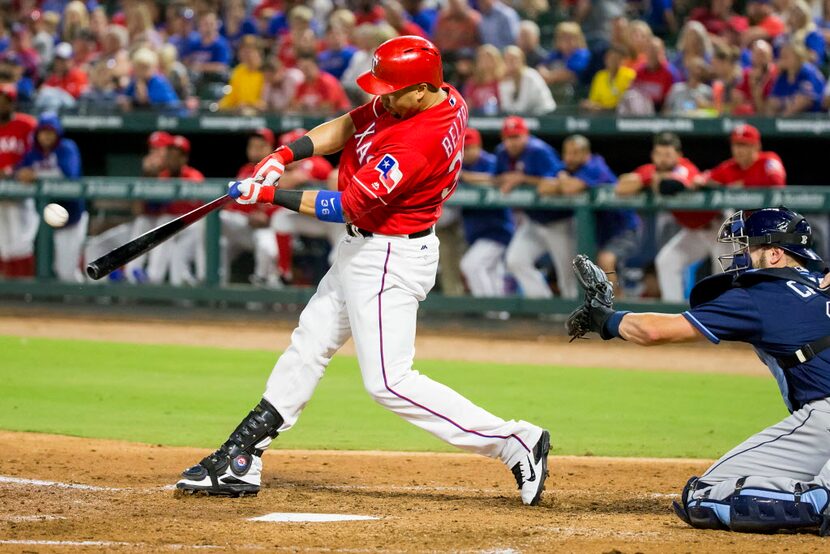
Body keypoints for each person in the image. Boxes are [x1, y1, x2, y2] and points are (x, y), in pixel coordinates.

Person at [175, 36, 550, 506]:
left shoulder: (421, 140)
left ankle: (514, 441)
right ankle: (241, 458)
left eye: (393, 91)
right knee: (309, 343)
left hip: (388, 255)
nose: (383, 98)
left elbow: (349, 206)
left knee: (389, 382)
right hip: (367, 249)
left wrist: (269, 195)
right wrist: (283, 157)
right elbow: (351, 123)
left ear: (421, 89)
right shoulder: (434, 96)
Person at [568, 207, 830, 537]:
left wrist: (607, 320)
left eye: (749, 247)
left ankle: (820, 500)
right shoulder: (821, 282)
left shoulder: (763, 294)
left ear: (776, 254)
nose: (741, 256)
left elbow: (656, 332)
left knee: (703, 495)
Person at [617, 131, 721, 302]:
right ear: (652, 155)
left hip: (720, 228)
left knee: (723, 275)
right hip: (695, 231)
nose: (663, 159)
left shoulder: (686, 167)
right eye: (659, 154)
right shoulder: (652, 170)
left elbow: (669, 187)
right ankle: (674, 314)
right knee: (667, 261)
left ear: (679, 155)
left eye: (668, 155)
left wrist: (647, 181)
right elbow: (621, 187)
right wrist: (650, 177)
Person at [536, 135, 637, 294]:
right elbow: (542, 187)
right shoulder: (565, 168)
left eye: (575, 153)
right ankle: (606, 308)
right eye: (567, 153)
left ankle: (617, 309)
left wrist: (561, 179)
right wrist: (563, 178)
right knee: (592, 271)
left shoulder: (595, 166)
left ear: (586, 154)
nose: (570, 157)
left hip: (622, 228)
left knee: (606, 261)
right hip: (599, 232)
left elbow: (571, 189)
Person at [498, 116, 574, 299]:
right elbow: (497, 177)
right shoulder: (502, 153)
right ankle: (544, 305)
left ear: (526, 135)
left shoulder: (540, 151)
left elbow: (557, 182)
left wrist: (522, 179)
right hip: (533, 222)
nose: (512, 142)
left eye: (517, 137)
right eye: (508, 138)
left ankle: (577, 320)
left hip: (559, 222)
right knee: (515, 260)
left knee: (568, 277)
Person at [15, 113, 85, 283]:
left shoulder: (67, 148)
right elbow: (19, 171)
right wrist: (20, 173)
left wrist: (35, 174)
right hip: (46, 218)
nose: (46, 135)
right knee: (53, 268)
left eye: (50, 131)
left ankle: (85, 299)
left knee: (66, 271)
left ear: (57, 133)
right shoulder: (33, 153)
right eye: (43, 131)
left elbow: (69, 175)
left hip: (72, 216)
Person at [459, 127, 514, 298]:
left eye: (470, 147)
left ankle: (489, 310)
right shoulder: (459, 164)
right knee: (492, 275)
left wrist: (467, 176)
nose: (466, 152)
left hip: (497, 229)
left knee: (471, 265)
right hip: (476, 231)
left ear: (479, 145)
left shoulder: (491, 162)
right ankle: (498, 315)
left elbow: (499, 179)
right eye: (463, 148)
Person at [221, 128, 280, 286]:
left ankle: (261, 286)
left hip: (267, 228)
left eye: (260, 146)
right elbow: (232, 205)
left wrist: (268, 216)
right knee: (218, 235)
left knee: (268, 248)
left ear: (270, 148)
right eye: (252, 146)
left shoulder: (278, 171)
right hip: (244, 225)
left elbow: (282, 204)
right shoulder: (245, 170)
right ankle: (217, 288)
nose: (255, 150)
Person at [146, 135, 206, 285]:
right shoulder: (162, 177)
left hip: (193, 226)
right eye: (169, 155)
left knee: (179, 253)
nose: (171, 159)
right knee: (164, 226)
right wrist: (149, 175)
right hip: (173, 226)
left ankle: (203, 279)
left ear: (184, 158)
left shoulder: (194, 176)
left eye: (176, 156)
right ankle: (154, 280)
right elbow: (149, 207)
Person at [0, 84, 36, 278]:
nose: (1, 105)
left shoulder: (27, 124)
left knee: (21, 241)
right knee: (4, 243)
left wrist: (13, 171)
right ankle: (7, 291)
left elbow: (36, 156)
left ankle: (26, 289)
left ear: (13, 103)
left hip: (21, 191)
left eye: (5, 102)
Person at [766, 41, 825, 115]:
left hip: (815, 118)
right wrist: (785, 102)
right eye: (781, 56)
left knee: (799, 102)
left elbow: (805, 100)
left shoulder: (808, 72)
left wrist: (784, 109)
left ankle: (780, 123)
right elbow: (773, 100)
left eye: (786, 56)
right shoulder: (783, 75)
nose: (782, 59)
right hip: (789, 112)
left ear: (798, 57)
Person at [498, 45, 556, 115]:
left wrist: (512, 115)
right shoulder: (505, 79)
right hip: (528, 116)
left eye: (514, 59)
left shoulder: (530, 75)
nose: (511, 62)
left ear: (522, 60)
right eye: (507, 59)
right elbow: (506, 106)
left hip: (546, 115)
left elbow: (523, 106)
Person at [290, 50, 351, 114]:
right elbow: (295, 105)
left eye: (307, 68)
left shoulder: (327, 82)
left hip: (337, 116)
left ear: (316, 67)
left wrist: (306, 106)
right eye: (302, 68)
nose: (305, 71)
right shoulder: (301, 85)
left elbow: (328, 107)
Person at [581, 46, 636, 112]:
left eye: (616, 58)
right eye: (609, 57)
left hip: (620, 113)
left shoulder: (629, 75)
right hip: (600, 113)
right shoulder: (599, 76)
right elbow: (593, 100)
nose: (611, 61)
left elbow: (624, 101)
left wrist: (603, 107)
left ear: (623, 60)